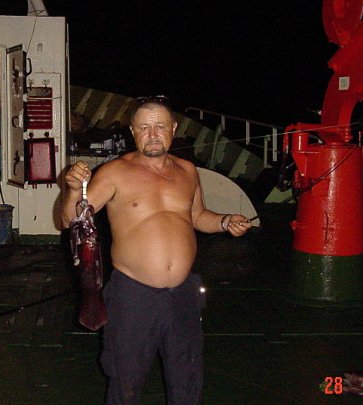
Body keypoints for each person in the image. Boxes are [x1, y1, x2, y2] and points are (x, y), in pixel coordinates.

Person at [62, 95, 251, 404]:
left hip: (183, 294)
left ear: (173, 129)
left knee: (187, 379)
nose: (152, 134)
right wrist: (73, 190)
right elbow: (70, 219)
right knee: (125, 382)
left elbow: (197, 216)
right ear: (132, 131)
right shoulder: (114, 172)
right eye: (144, 127)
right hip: (133, 295)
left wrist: (226, 221)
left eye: (160, 126)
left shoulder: (188, 170)